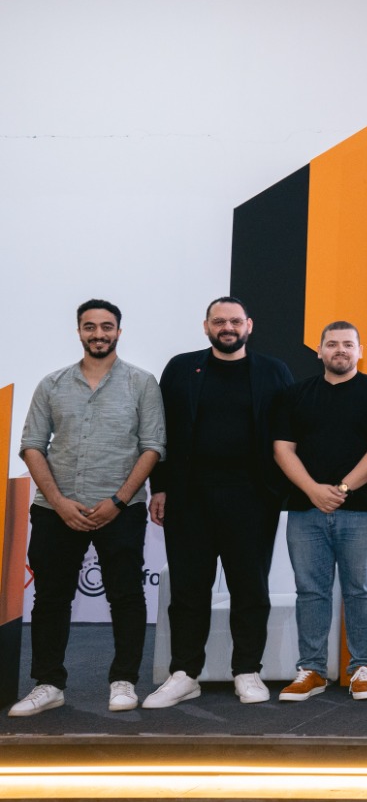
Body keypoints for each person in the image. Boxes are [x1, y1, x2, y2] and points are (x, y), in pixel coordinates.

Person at [11, 300, 165, 717]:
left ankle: (123, 681)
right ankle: (48, 684)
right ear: (79, 331)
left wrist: (118, 501)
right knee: (50, 598)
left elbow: (152, 447)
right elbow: (32, 446)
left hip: (121, 509)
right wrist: (59, 502)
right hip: (55, 510)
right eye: (90, 326)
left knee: (126, 596)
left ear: (119, 331)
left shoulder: (141, 383)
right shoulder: (52, 384)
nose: (99, 334)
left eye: (107, 326)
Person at [144, 296, 294, 709]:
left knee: (250, 589)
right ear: (206, 326)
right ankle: (184, 674)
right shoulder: (181, 368)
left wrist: (278, 491)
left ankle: (247, 671)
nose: (227, 327)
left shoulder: (273, 371)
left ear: (249, 325)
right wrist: (160, 487)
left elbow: (288, 432)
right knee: (188, 589)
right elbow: (161, 432)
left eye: (234, 321)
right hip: (189, 498)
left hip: (252, 500)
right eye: (219, 321)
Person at [271, 322, 367, 703]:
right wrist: (312, 490)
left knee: (361, 590)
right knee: (310, 592)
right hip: (305, 510)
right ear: (320, 351)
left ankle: (362, 669)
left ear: (360, 351)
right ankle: (312, 670)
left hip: (362, 511)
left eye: (348, 344)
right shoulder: (295, 394)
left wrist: (341, 489)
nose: (340, 350)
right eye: (333, 344)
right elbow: (282, 450)